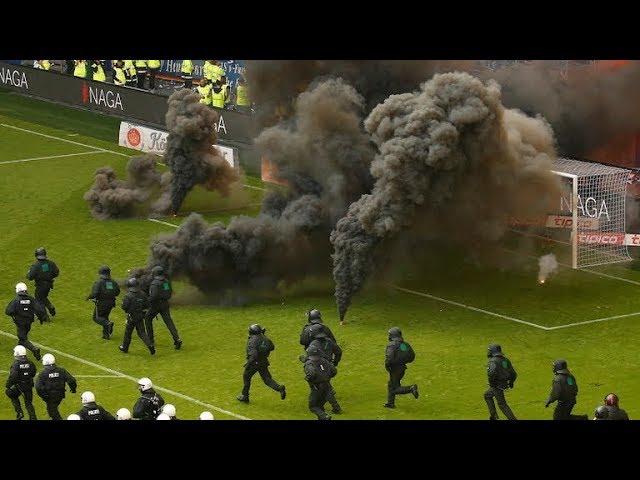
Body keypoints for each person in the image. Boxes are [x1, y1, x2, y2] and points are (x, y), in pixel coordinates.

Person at [236, 324, 286, 403]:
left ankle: (245, 396)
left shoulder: (252, 341)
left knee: (246, 377)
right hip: (263, 361)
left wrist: (248, 364)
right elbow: (272, 347)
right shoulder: (265, 338)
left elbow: (254, 355)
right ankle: (279, 388)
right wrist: (263, 338)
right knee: (267, 379)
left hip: (254, 362)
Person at [306, 323, 342, 414]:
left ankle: (333, 407)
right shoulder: (329, 341)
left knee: (325, 388)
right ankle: (334, 407)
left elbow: (311, 358)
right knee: (327, 387)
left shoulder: (313, 344)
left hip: (319, 367)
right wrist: (335, 362)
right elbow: (338, 351)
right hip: (328, 366)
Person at [144, 265, 182, 350]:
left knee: (147, 318)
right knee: (169, 322)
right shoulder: (166, 282)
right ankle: (177, 339)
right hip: (165, 304)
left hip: (156, 305)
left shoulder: (154, 283)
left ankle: (150, 339)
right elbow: (169, 293)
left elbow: (153, 296)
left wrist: (146, 301)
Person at [5, 282, 46, 360]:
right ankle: (18, 349)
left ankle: (34, 349)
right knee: (22, 337)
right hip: (29, 322)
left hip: (20, 323)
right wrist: (41, 318)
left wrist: (15, 314)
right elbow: (39, 309)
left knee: (23, 339)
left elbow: (8, 311)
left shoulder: (16, 300)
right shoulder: (31, 299)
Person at [384, 327, 419, 409]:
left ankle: (411, 388)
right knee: (391, 385)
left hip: (394, 369)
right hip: (402, 368)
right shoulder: (404, 345)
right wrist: (403, 361)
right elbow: (411, 356)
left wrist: (387, 365)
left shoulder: (392, 345)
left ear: (392, 335)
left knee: (394, 389)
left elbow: (389, 358)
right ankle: (390, 404)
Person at [35, 353, 77, 420]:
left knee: (53, 412)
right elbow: (71, 380)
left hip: (49, 397)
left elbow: (38, 387)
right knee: (51, 410)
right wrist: (73, 389)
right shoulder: (61, 370)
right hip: (60, 395)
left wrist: (44, 396)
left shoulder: (42, 374)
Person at [119, 277, 155, 355]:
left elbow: (124, 307)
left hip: (131, 317)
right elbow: (147, 305)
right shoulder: (142, 294)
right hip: (140, 316)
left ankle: (125, 347)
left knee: (128, 333)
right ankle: (150, 345)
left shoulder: (128, 296)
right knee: (142, 333)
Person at [483, 343, 517, 420]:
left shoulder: (492, 361)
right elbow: (514, 374)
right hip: (503, 384)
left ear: (493, 351)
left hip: (496, 386)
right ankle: (494, 416)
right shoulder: (505, 360)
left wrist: (492, 384)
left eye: (489, 350)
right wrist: (511, 383)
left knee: (502, 405)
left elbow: (491, 374)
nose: (488, 352)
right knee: (487, 395)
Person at [303, 344, 336, 420]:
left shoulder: (309, 363)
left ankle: (325, 417)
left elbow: (311, 373)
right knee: (320, 406)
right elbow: (334, 370)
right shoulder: (324, 360)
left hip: (317, 387)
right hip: (327, 386)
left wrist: (307, 378)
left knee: (313, 406)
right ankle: (323, 416)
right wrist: (327, 377)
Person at [87, 265, 120, 340]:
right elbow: (117, 292)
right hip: (111, 303)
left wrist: (89, 297)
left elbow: (94, 293)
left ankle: (108, 324)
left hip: (101, 303)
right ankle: (106, 335)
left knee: (97, 318)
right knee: (104, 317)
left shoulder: (99, 282)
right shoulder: (112, 282)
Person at [5, 345, 37, 420]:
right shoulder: (30, 362)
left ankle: (19, 412)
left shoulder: (16, 364)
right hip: (28, 385)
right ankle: (33, 418)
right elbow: (33, 372)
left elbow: (13, 377)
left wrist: (8, 385)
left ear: (17, 353)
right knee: (28, 403)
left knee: (10, 393)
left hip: (19, 386)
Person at [26, 247, 59, 318]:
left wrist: (28, 273)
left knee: (39, 299)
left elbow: (30, 277)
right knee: (43, 297)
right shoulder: (51, 263)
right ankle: (50, 306)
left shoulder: (36, 265)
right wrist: (49, 276)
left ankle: (45, 317)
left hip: (40, 285)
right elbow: (56, 272)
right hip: (49, 284)